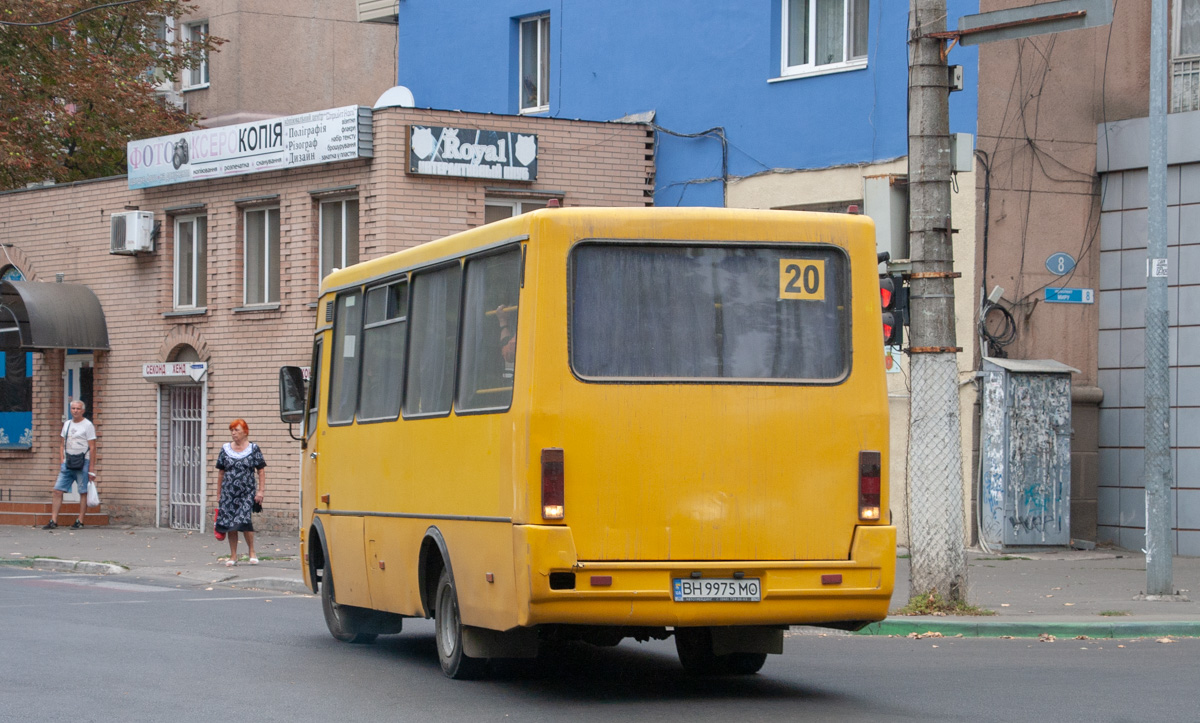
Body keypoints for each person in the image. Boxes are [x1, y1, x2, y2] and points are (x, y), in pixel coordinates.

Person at [214, 419, 266, 566]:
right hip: (229, 493)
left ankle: (252, 552)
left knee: (244, 521)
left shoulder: (253, 449)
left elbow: (261, 471)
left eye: (236, 430)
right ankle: (233, 556)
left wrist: (260, 491)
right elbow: (221, 473)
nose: (233, 433)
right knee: (230, 523)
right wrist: (219, 494)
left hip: (247, 493)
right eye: (232, 430)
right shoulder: (225, 449)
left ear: (245, 432)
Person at [43, 400, 96, 530]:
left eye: (78, 408)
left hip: (83, 461)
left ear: (82, 410)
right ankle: (54, 520)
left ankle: (80, 520)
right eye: (73, 408)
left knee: (83, 492)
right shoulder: (66, 424)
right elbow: (62, 444)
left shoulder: (88, 425)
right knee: (57, 490)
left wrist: (91, 469)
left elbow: (93, 447)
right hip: (68, 462)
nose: (75, 411)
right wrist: (62, 460)